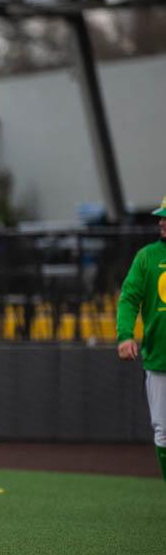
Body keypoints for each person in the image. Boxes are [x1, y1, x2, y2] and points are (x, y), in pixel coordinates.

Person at [116, 196, 166, 483]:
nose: (161, 221)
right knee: (163, 431)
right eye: (161, 217)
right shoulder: (146, 257)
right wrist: (125, 335)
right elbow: (128, 300)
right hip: (160, 357)